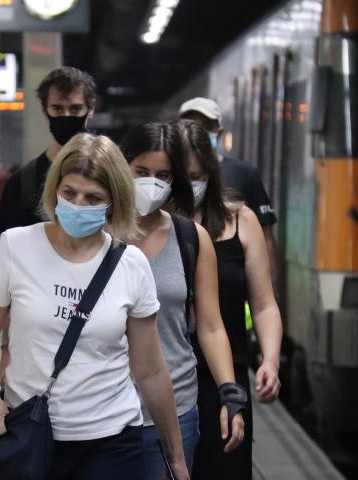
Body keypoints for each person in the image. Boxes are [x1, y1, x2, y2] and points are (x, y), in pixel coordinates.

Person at [0, 133, 189, 480]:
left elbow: (150, 369)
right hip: (30, 437)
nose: (78, 204)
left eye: (93, 198)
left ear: (113, 202)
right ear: (54, 188)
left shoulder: (130, 264)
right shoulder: (16, 247)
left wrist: (175, 456)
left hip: (113, 440)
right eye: (69, 193)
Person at [119, 121, 246, 479]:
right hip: (102, 409)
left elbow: (210, 326)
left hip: (173, 410)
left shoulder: (191, 238)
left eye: (163, 174)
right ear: (121, 167)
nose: (151, 183)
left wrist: (229, 393)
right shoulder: (97, 234)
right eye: (141, 171)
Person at [177, 119, 282, 480]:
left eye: (198, 175)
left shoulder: (242, 221)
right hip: (166, 376)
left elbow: (264, 303)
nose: (190, 184)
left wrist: (270, 359)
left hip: (226, 377)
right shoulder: (150, 227)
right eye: (181, 175)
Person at [178, 97, 279, 291]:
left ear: (219, 133)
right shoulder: (169, 178)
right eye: (190, 126)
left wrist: (270, 290)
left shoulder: (245, 175)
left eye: (205, 127)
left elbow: (266, 239)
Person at [0, 66, 97, 237]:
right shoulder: (22, 182)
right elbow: (8, 251)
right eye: (57, 109)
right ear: (44, 110)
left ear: (90, 109)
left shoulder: (111, 174)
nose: (66, 116)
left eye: (75, 109)